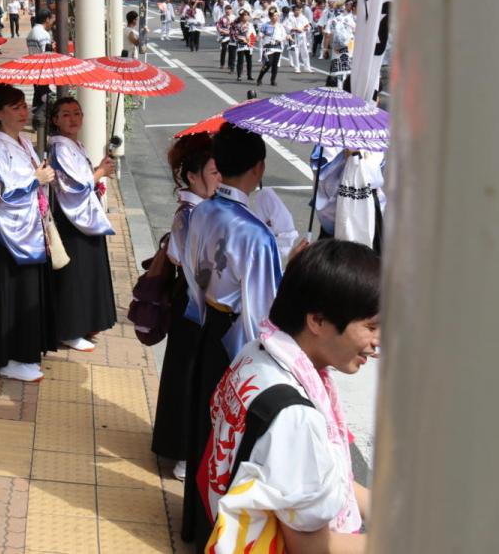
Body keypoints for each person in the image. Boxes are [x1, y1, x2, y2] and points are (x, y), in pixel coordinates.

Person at [202, 240, 377, 553]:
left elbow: (307, 478)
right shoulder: (298, 418)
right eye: (371, 326)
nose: (377, 343)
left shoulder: (256, 354)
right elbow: (312, 547)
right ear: (317, 320)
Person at [179, 123, 285, 545]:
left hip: (207, 326)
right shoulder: (256, 234)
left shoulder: (201, 210)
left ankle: (195, 519)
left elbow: (191, 272)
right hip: (237, 340)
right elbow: (264, 310)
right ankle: (221, 533)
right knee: (232, 436)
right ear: (258, 168)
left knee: (204, 425)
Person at [151, 133, 220, 480]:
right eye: (213, 171)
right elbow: (180, 256)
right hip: (194, 305)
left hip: (193, 304)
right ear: (192, 176)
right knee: (190, 377)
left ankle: (177, 447)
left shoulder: (201, 210)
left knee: (186, 374)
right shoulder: (192, 213)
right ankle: (182, 454)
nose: (219, 178)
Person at [0, 84, 57, 382]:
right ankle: (11, 356)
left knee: (26, 292)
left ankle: (24, 351)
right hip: (11, 231)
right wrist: (34, 179)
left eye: (24, 105)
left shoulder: (22, 141)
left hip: (28, 226)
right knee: (14, 293)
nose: (23, 112)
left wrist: (40, 174)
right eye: (15, 107)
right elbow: (1, 192)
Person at [46, 98, 117, 353]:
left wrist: (98, 172)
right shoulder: (60, 147)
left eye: (77, 113)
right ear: (55, 120)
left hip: (85, 215)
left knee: (87, 272)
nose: (73, 118)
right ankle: (69, 329)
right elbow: (74, 184)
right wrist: (98, 172)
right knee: (73, 275)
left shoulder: (74, 144)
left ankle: (86, 323)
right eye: (65, 114)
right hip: (71, 217)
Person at [26, 11, 56, 113]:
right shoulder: (44, 34)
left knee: (38, 93)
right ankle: (41, 119)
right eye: (51, 19)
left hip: (34, 66)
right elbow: (46, 53)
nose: (52, 22)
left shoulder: (32, 32)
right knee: (44, 94)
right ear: (47, 19)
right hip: (43, 68)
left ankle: (37, 119)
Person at [256, 9, 287, 87]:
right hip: (268, 47)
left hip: (277, 46)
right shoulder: (266, 25)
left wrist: (283, 38)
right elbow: (260, 34)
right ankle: (259, 78)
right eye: (274, 16)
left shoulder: (280, 26)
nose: (276, 17)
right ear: (270, 17)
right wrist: (259, 36)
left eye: (277, 15)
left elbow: (284, 35)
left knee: (275, 64)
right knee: (268, 63)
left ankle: (273, 80)